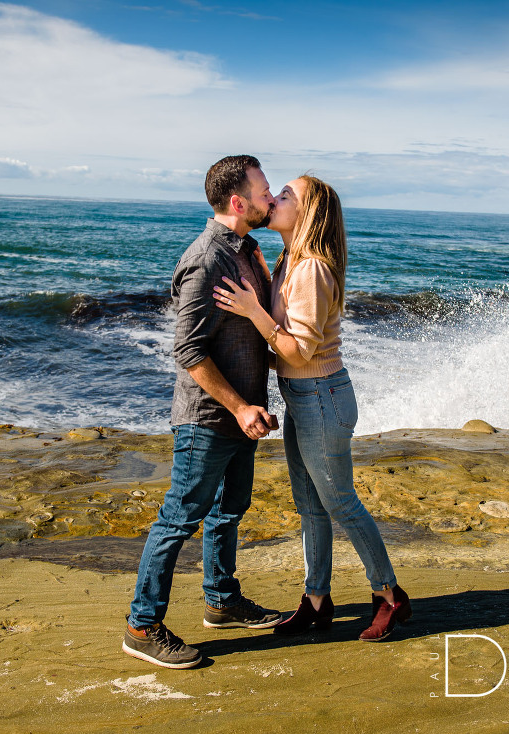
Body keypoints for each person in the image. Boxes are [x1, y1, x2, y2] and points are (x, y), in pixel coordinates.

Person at [213, 174, 412, 642]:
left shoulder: (313, 269)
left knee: (340, 501)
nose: (273, 199)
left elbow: (299, 351)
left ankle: (389, 595)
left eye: (285, 195)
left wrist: (252, 311)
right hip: (302, 396)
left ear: (308, 213)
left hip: (322, 395)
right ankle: (317, 600)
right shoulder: (289, 262)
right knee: (310, 507)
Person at [123, 155, 283, 670]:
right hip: (210, 417)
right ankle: (141, 625)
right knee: (179, 518)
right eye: (262, 190)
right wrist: (239, 408)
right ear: (237, 202)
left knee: (229, 511)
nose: (269, 197)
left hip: (242, 414)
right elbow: (188, 351)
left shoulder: (247, 250)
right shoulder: (206, 258)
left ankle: (221, 600)